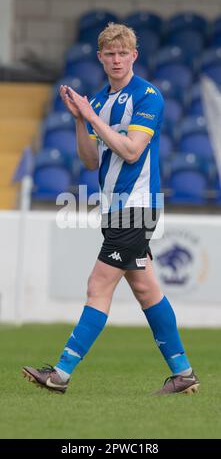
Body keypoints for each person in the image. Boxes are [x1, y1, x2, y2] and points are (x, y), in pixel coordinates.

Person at [22, 23, 199, 395]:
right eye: (110, 54)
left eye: (123, 53)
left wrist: (92, 117)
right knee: (146, 289)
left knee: (98, 285)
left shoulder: (148, 95)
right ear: (101, 58)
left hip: (136, 207)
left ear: (134, 56)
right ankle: (183, 374)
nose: (117, 59)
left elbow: (132, 150)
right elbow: (89, 160)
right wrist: (79, 120)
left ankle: (61, 373)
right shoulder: (100, 101)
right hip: (115, 210)